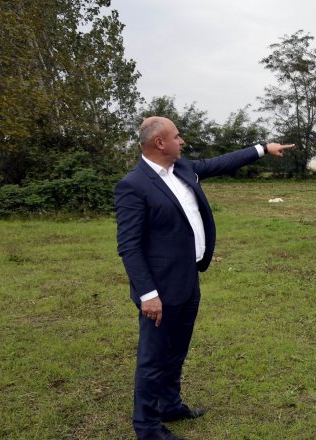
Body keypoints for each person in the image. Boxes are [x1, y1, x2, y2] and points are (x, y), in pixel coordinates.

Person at [115, 116, 294, 440]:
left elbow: (221, 163)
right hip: (160, 291)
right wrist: (147, 294)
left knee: (176, 352)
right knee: (152, 360)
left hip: (188, 281)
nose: (182, 141)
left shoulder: (183, 169)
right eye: (177, 136)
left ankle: (170, 405)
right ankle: (147, 428)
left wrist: (263, 149)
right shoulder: (134, 185)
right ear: (160, 143)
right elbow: (129, 246)